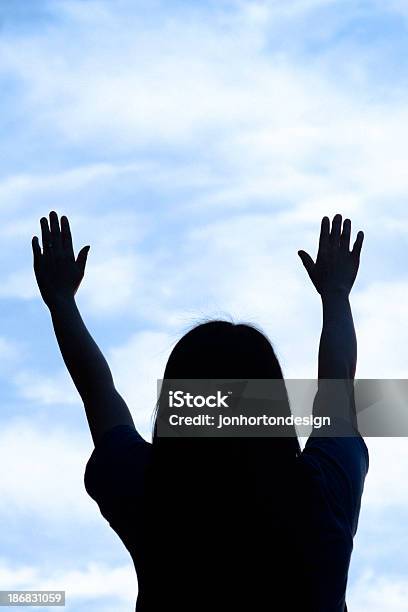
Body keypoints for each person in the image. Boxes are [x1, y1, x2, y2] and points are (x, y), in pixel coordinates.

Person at [32, 212, 369, 611]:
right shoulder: (325, 493)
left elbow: (98, 394)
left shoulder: (152, 497)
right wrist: (335, 294)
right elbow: (337, 385)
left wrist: (61, 303)